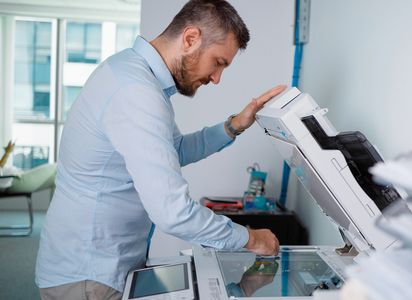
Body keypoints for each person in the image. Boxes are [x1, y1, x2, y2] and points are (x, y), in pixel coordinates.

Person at [35, 0, 283, 299]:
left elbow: (174, 149)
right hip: (90, 275)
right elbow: (173, 212)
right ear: (190, 39)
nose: (217, 79)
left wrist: (235, 125)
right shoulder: (136, 91)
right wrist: (250, 239)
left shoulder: (133, 74)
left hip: (95, 264)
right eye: (218, 62)